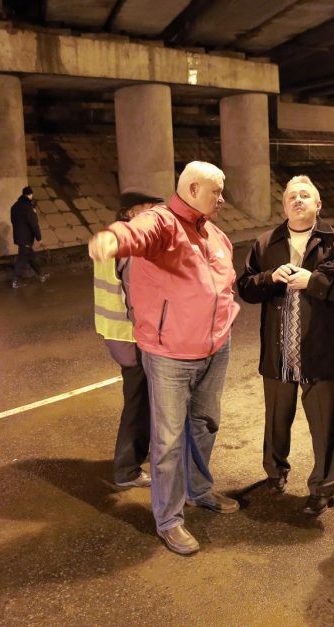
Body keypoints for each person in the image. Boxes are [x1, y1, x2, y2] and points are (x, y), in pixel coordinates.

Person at [88, 162, 240, 556]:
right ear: (191, 188)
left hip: (214, 347)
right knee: (168, 440)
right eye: (215, 192)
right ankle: (169, 520)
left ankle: (199, 490)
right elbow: (137, 232)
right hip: (171, 354)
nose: (222, 199)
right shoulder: (163, 222)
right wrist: (113, 238)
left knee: (205, 424)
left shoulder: (214, 233)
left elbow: (222, 285)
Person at [237, 175, 334, 515]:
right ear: (283, 206)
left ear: (317, 204)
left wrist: (317, 282)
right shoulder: (267, 243)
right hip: (278, 354)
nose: (298, 200)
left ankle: (322, 490)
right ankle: (275, 473)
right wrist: (269, 278)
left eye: (305, 195)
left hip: (320, 354)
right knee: (276, 421)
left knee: (324, 426)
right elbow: (246, 288)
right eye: (292, 196)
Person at [93, 188, 164, 489]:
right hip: (130, 334)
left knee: (138, 398)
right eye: (149, 209)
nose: (153, 216)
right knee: (138, 403)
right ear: (133, 211)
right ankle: (127, 469)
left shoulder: (112, 234)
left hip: (116, 330)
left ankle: (134, 456)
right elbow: (135, 296)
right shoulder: (130, 242)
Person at [10, 186, 49, 288]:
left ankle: (41, 275)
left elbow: (14, 221)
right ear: (30, 194)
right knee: (22, 260)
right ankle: (15, 281)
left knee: (31, 257)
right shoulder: (29, 207)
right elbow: (33, 223)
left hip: (19, 236)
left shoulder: (14, 206)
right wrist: (39, 238)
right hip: (26, 237)